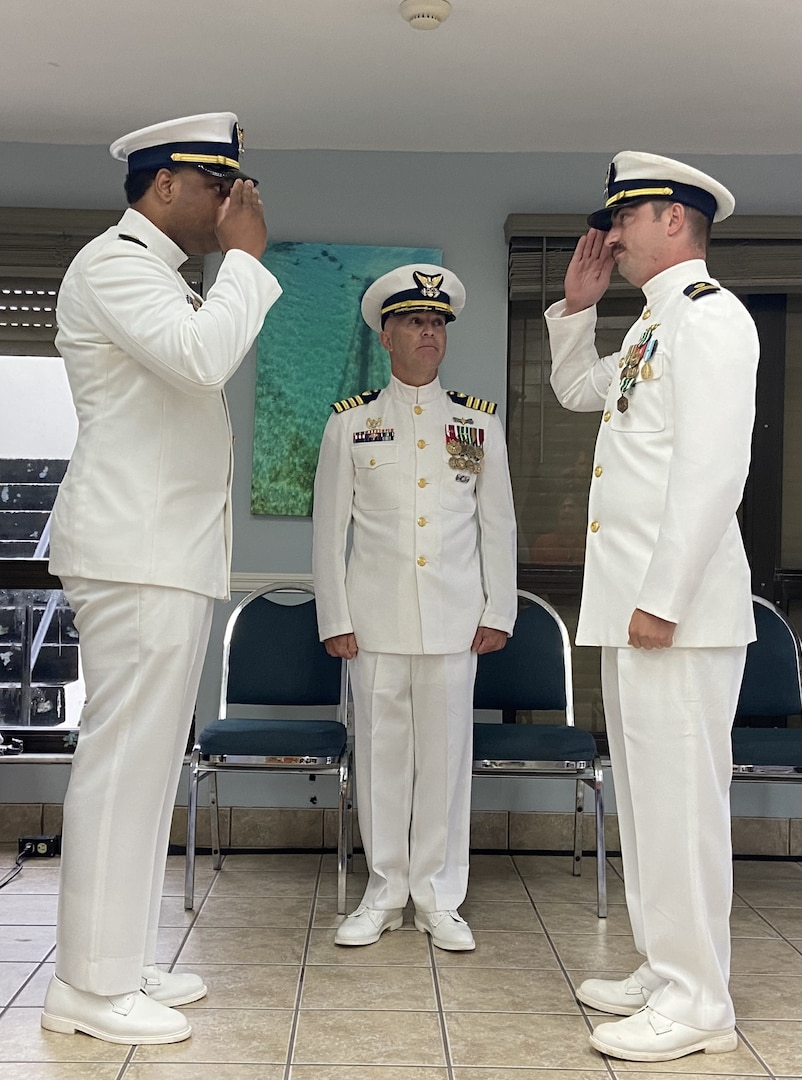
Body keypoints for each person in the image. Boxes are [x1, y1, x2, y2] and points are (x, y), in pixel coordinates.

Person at [43, 112, 282, 1044]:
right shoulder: (114, 264)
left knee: (147, 773)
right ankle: (89, 990)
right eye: (217, 185)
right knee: (123, 767)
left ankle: (118, 959)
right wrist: (248, 260)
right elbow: (199, 359)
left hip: (164, 551)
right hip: (135, 551)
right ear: (164, 185)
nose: (231, 201)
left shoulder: (154, 274)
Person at [545, 152, 759, 1062]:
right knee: (647, 801)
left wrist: (665, 600)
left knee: (682, 808)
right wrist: (578, 310)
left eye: (624, 220)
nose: (612, 235)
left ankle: (698, 1001)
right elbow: (575, 391)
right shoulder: (649, 330)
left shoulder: (713, 321)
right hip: (635, 612)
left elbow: (716, 472)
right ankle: (665, 962)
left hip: (676, 616)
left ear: (673, 218)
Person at [312, 264, 517, 951]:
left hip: (457, 621)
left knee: (446, 761)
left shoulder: (477, 425)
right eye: (414, 321)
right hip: (374, 621)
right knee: (381, 757)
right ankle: (383, 891)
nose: (429, 332)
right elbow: (328, 529)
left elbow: (499, 526)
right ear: (387, 334)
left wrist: (500, 609)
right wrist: (335, 617)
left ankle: (437, 895)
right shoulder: (352, 425)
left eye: (437, 323)